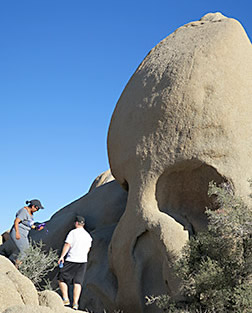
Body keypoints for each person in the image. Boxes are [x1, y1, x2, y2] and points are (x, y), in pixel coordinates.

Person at [57, 215, 93, 310]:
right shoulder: (88, 236)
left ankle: (65, 298)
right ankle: (75, 304)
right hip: (83, 261)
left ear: (76, 223)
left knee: (61, 278)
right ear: (83, 224)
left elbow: (67, 244)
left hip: (71, 259)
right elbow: (88, 249)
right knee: (78, 282)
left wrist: (62, 256)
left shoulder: (73, 233)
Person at [9, 199, 44, 265]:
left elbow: (29, 224)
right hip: (19, 233)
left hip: (24, 234)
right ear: (33, 206)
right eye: (37, 208)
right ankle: (16, 266)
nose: (37, 210)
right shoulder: (24, 211)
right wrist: (17, 233)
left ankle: (14, 263)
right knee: (24, 251)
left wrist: (37, 228)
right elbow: (16, 221)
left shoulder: (31, 214)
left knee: (27, 250)